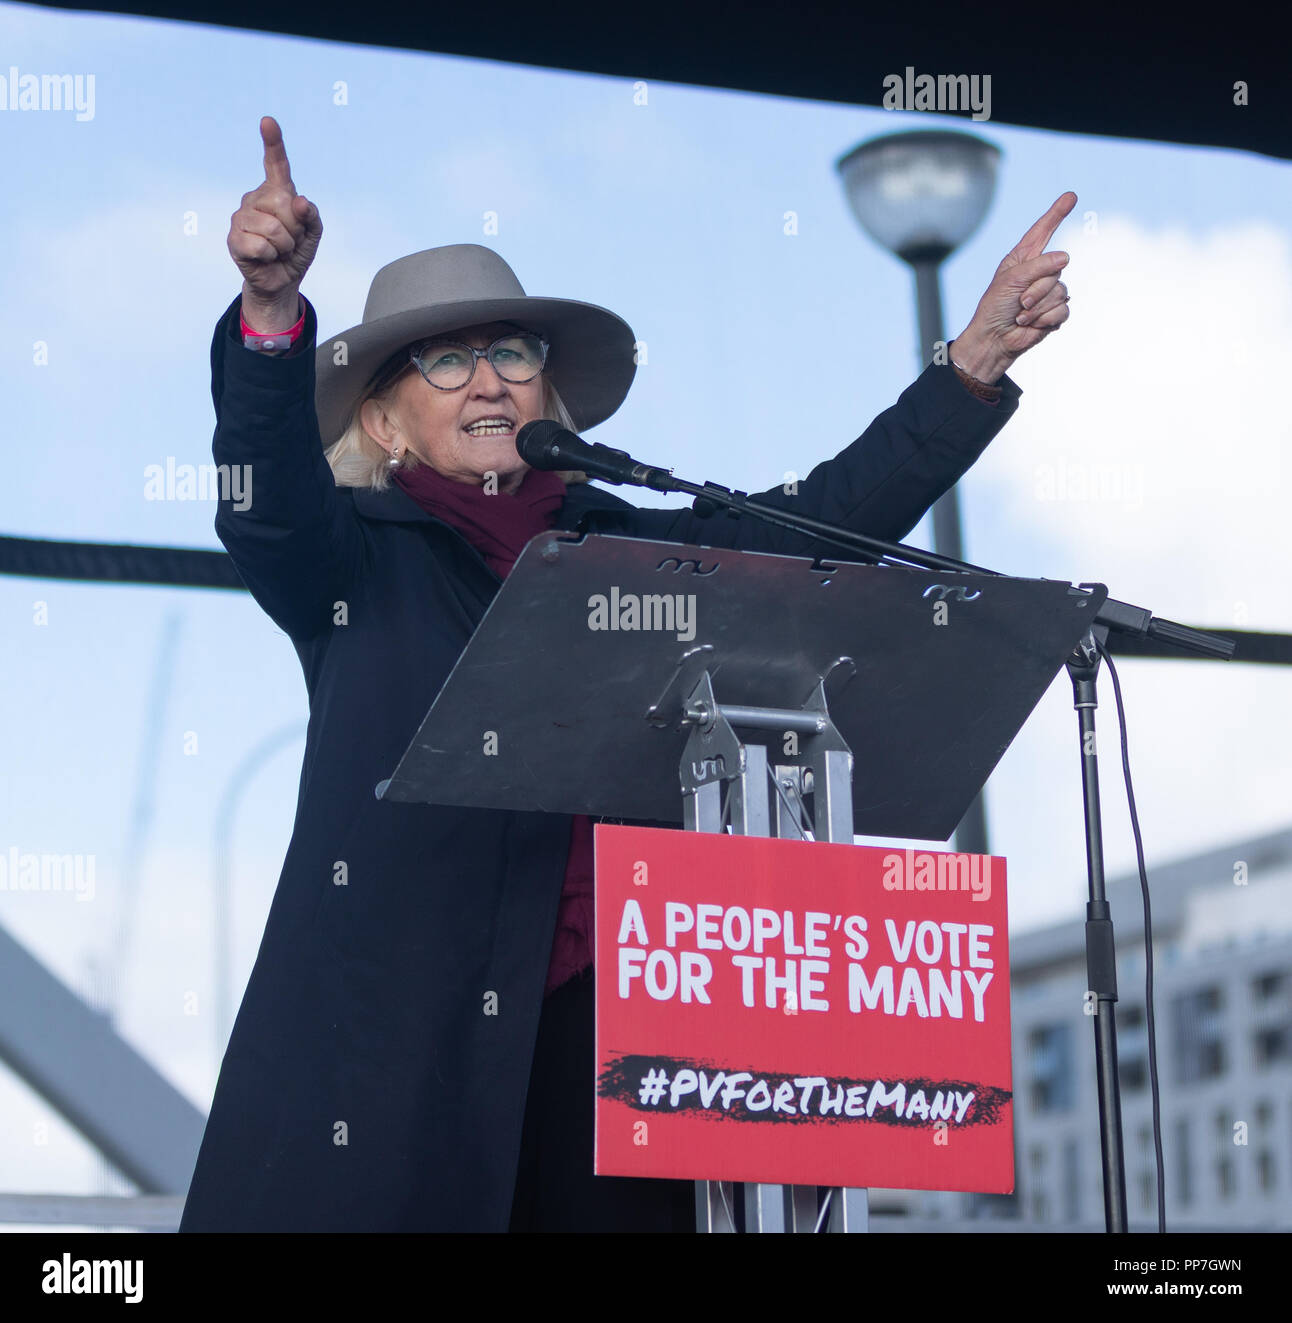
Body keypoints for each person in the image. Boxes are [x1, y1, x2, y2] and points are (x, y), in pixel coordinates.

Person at [178, 116, 1073, 1233]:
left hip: (629, 1043)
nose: (487, 381)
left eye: (511, 354)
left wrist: (970, 368)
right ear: (384, 415)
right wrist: (269, 314)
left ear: (546, 391)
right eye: (446, 360)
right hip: (409, 1048)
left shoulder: (632, 550)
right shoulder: (352, 554)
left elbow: (826, 523)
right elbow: (257, 497)